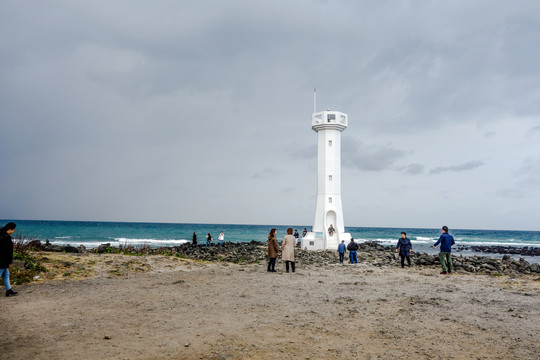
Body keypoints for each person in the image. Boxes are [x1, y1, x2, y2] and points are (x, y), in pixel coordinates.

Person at [0, 222, 17, 297]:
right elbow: (8, 250)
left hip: (2, 259)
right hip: (2, 260)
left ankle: (8, 290)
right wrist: (9, 259)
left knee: (6, 274)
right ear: (10, 229)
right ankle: (8, 290)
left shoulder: (1, 234)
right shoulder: (6, 237)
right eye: (13, 230)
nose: (13, 232)